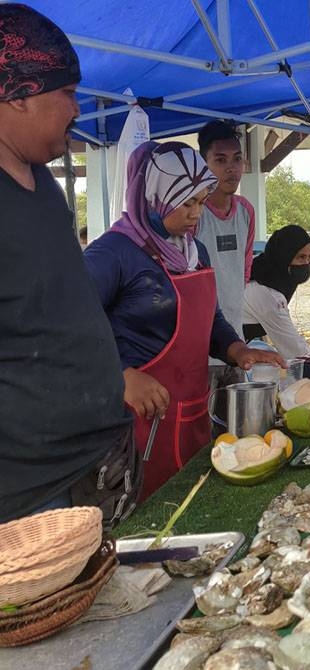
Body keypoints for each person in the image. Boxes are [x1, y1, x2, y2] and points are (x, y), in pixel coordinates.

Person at [0, 4, 139, 527]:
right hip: (33, 490)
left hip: (100, 458)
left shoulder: (43, 185)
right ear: (18, 94)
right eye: (68, 92)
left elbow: (60, 309)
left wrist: (113, 377)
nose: (77, 109)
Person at [84, 141, 283, 499]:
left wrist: (237, 349)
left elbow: (209, 318)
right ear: (154, 196)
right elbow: (70, 324)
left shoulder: (194, 251)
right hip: (138, 421)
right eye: (187, 202)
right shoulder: (113, 253)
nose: (196, 214)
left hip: (190, 411)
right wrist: (121, 375)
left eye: (201, 202)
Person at [196, 120, 255, 421]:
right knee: (204, 436)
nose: (231, 169)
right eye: (220, 160)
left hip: (236, 344)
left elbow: (244, 270)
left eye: (237, 159)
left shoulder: (246, 211)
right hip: (200, 354)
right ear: (204, 165)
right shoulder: (193, 214)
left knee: (238, 431)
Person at [242, 224, 310, 360]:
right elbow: (296, 352)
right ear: (284, 257)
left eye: (309, 257)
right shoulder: (267, 293)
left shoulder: (261, 270)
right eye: (301, 257)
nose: (306, 263)